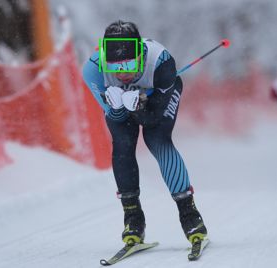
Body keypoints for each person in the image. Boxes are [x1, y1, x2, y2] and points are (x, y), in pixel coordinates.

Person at [82, 20, 207, 245]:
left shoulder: (162, 63)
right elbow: (117, 119)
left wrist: (139, 106)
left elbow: (153, 119)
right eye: (115, 67)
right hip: (126, 102)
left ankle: (189, 215)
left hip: (156, 98)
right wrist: (118, 106)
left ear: (141, 55)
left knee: (157, 139)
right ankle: (133, 219)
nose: (122, 74)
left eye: (129, 66)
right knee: (122, 143)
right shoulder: (92, 70)